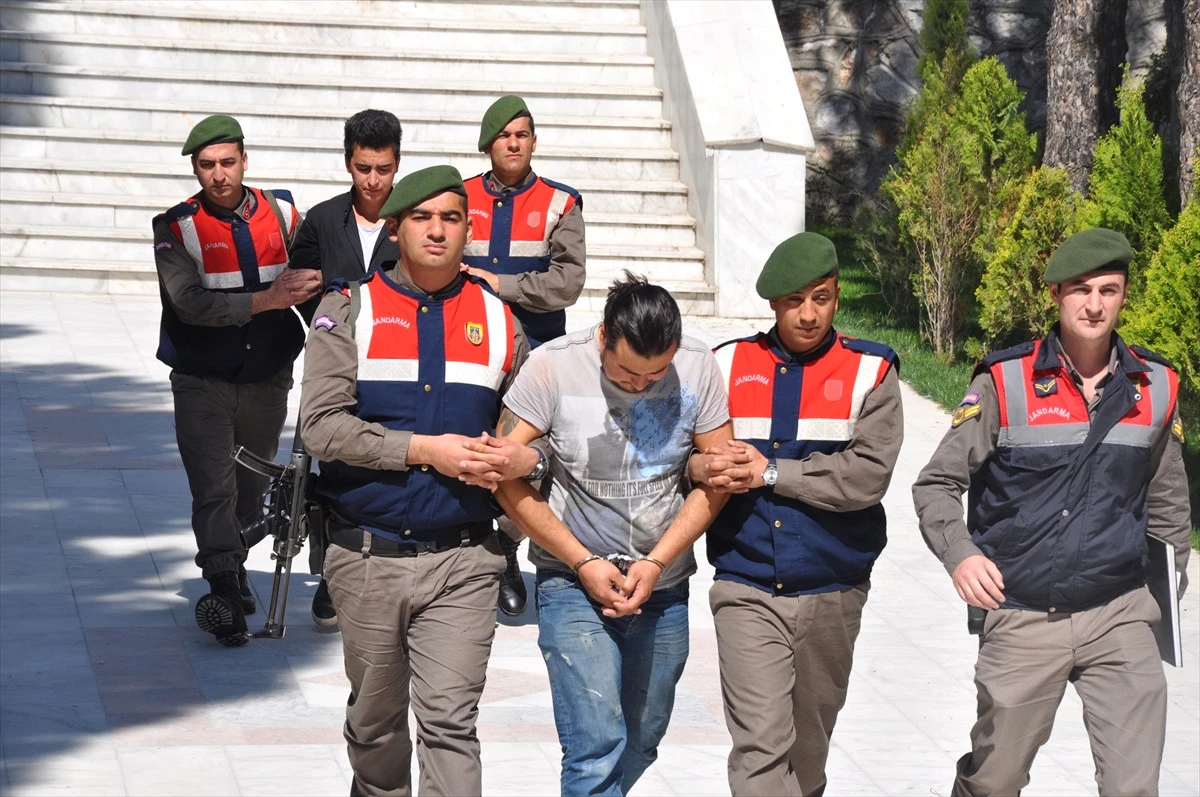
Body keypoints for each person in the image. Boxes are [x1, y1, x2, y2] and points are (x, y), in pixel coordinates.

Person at [912, 227, 1191, 797]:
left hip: (1119, 613)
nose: (1094, 305)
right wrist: (961, 556)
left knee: (1134, 786)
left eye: (1109, 290)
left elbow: (1168, 499)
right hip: (1023, 614)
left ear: (1124, 295)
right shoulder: (1005, 381)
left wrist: (1167, 585)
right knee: (995, 781)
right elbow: (936, 485)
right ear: (1056, 295)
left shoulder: (1156, 386)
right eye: (1081, 290)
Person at [299, 165, 536, 797]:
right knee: (374, 726)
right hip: (367, 555)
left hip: (464, 560)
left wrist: (518, 464)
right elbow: (320, 428)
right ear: (397, 227)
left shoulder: (501, 320)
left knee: (450, 726)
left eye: (452, 218)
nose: (438, 230)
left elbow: (531, 434)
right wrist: (424, 450)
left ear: (468, 228)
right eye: (423, 217)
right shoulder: (347, 308)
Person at [490, 273, 733, 796]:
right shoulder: (551, 366)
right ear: (603, 336)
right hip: (572, 580)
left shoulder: (697, 365)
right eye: (626, 371)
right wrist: (581, 561)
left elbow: (718, 477)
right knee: (595, 749)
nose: (640, 385)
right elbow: (503, 478)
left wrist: (657, 563)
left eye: (656, 374)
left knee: (642, 739)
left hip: (662, 583)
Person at [690, 231, 903, 797]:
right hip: (746, 583)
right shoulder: (725, 364)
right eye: (794, 301)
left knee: (808, 752)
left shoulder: (872, 372)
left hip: (834, 590)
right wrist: (700, 469)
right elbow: (684, 454)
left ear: (837, 298)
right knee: (760, 747)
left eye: (822, 298)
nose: (808, 315)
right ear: (773, 303)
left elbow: (867, 478)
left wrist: (773, 472)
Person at [153, 114, 321, 647]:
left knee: (252, 490)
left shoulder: (286, 214)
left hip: (267, 378)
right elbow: (190, 303)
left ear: (245, 161)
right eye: (207, 165)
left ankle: (235, 563)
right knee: (213, 485)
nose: (219, 174)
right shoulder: (175, 227)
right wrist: (270, 299)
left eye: (228, 162)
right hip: (202, 378)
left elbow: (319, 279)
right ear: (196, 170)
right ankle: (223, 585)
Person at [463, 94, 587, 617]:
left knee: (530, 458)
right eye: (503, 135)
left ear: (534, 142)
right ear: (488, 144)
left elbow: (567, 283)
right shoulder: (458, 195)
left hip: (534, 355)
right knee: (467, 447)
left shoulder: (561, 202)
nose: (513, 144)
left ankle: (505, 548)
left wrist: (500, 283)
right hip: (466, 348)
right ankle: (466, 552)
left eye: (522, 134)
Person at [288, 108, 403, 626]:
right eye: (363, 168)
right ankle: (333, 578)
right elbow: (299, 282)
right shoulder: (322, 218)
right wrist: (326, 328)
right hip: (336, 363)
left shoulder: (414, 218)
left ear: (397, 164)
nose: (373, 181)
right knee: (334, 465)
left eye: (383, 169)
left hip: (398, 361)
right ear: (347, 163)